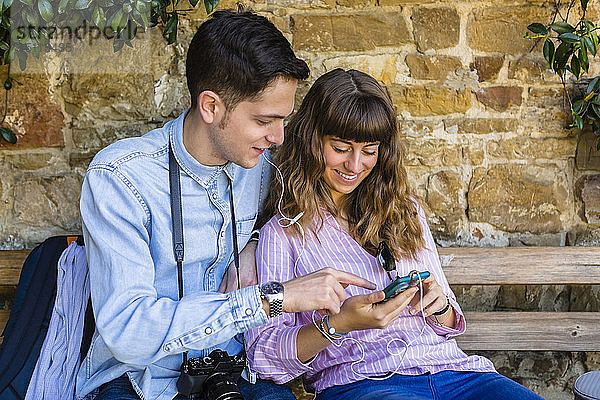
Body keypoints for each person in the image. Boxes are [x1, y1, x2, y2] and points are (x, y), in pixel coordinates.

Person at [76, 11, 375, 400]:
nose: (279, 137)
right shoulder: (120, 178)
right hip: (141, 379)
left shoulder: (264, 164)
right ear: (211, 107)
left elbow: (298, 209)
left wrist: (253, 243)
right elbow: (130, 332)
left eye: (283, 120)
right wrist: (271, 298)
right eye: (265, 120)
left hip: (238, 374)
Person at [245, 68, 545, 400]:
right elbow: (263, 357)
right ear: (312, 140)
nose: (355, 165)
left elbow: (448, 322)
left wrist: (439, 304)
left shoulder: (405, 211)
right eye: (341, 147)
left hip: (455, 374)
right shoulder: (285, 234)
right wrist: (337, 326)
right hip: (364, 381)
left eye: (369, 150)